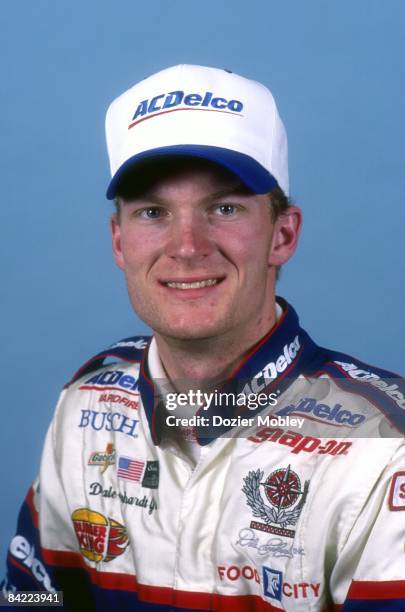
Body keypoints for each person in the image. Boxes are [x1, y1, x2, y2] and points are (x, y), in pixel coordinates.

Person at [2, 64, 404, 612]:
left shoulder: (384, 446)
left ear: (282, 234)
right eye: (153, 212)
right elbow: (31, 601)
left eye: (225, 208)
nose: (187, 246)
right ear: (119, 243)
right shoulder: (88, 402)